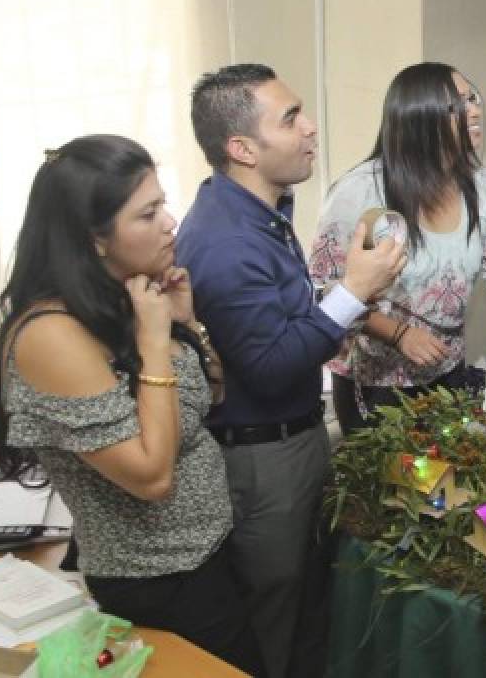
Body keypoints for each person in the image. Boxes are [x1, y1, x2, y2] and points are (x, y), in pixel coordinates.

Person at [0, 136, 263, 675]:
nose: (171, 222)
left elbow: (210, 397)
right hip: (158, 582)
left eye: (164, 204)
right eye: (148, 213)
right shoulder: (52, 335)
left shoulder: (124, 298)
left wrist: (187, 324)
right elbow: (151, 477)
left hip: (204, 560)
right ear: (96, 239)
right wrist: (157, 342)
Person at [176, 64, 406, 677]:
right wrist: (352, 292)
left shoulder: (261, 210)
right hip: (260, 457)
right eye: (290, 118)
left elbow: (284, 321)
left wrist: (353, 297)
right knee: (272, 618)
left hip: (294, 438)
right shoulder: (225, 240)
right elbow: (273, 366)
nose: (310, 128)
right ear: (242, 148)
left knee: (308, 606)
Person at [309, 62, 486, 433]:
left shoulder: (484, 189)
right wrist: (398, 334)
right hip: (375, 384)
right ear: (419, 119)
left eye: (472, 99)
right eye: (456, 106)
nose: (474, 111)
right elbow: (330, 294)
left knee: (449, 485)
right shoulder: (363, 193)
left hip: (447, 374)